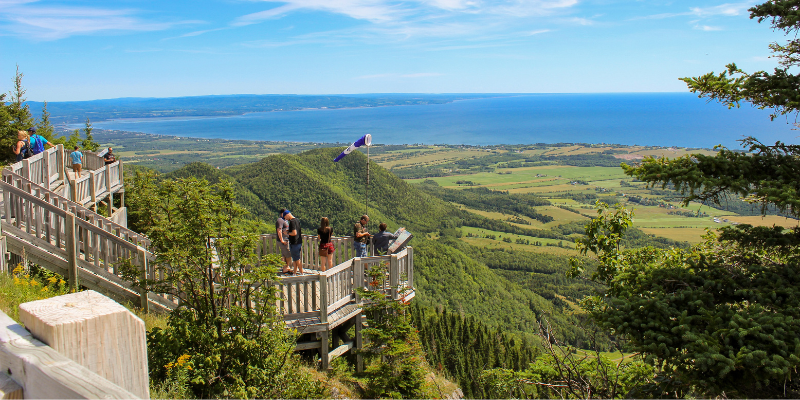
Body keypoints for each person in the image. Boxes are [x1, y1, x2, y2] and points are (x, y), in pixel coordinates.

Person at [284, 210, 303, 275]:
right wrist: (289, 230)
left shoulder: (292, 222)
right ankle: (294, 273)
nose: (286, 219)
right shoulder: (297, 220)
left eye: (285, 217)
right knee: (295, 259)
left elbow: (294, 233)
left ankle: (301, 273)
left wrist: (287, 232)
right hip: (299, 242)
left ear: (287, 215)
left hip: (294, 243)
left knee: (297, 259)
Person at [275, 209, 292, 274]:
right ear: (282, 213)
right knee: (288, 253)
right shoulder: (280, 220)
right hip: (283, 240)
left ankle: (285, 268)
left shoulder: (285, 220)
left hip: (286, 239)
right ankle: (286, 267)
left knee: (284, 254)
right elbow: (279, 230)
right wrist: (282, 240)